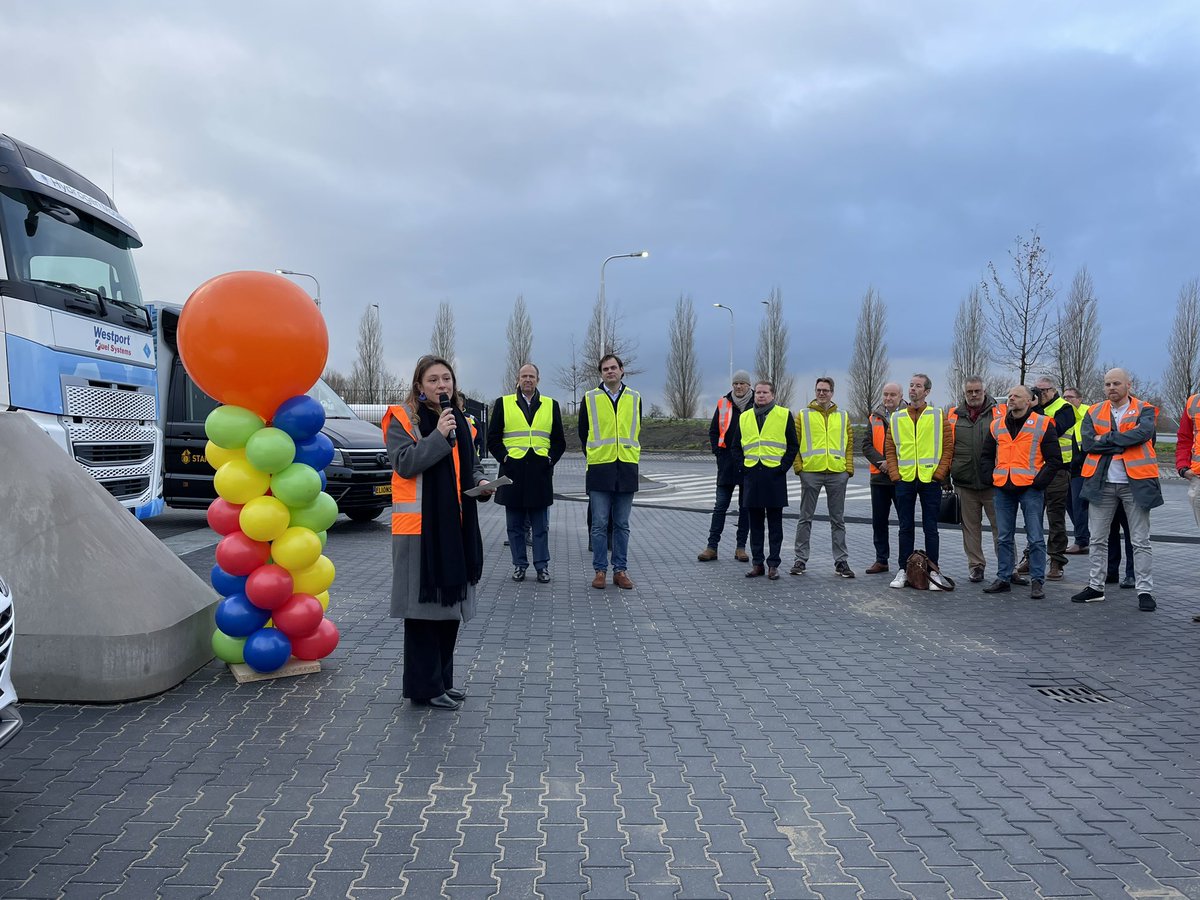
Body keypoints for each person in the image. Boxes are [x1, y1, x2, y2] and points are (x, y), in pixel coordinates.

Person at [383, 355, 493, 711]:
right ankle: (423, 687)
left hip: (456, 526)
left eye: (446, 378)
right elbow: (405, 463)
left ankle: (442, 681)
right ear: (419, 386)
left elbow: (470, 465)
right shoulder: (402, 419)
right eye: (433, 380)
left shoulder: (463, 421)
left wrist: (482, 482)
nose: (441, 385)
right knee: (422, 612)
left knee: (449, 608)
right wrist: (438, 436)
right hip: (419, 531)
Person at [1071, 368, 1162, 611]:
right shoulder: (1094, 410)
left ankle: (1144, 591)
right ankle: (1095, 587)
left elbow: (1143, 435)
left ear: (1128, 385)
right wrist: (1122, 440)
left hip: (1136, 484)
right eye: (1107, 384)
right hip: (1101, 483)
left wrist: (1107, 439)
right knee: (1098, 539)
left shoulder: (1145, 409)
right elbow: (1089, 443)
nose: (1111, 388)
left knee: (1141, 541)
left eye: (1116, 383)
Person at [487, 363, 567, 584]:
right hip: (512, 472)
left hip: (540, 473)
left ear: (538, 380)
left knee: (541, 526)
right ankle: (519, 565)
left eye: (532, 376)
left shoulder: (551, 405)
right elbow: (493, 438)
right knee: (514, 526)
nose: (528, 380)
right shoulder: (503, 403)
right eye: (524, 376)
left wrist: (550, 459)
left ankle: (542, 567)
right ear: (518, 379)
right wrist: (504, 458)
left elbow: (559, 441)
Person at [980, 386, 1062, 599]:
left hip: (1030, 489)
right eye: (1010, 396)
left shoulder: (1043, 424)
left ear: (1029, 401)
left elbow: (1054, 460)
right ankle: (1004, 577)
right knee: (1004, 537)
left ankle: (1037, 581)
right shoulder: (997, 425)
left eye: (1016, 396)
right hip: (1003, 487)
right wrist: (990, 477)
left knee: (1035, 537)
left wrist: (1038, 483)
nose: (1011, 399)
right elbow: (986, 455)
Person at [579, 354, 641, 590]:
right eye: (605, 369)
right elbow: (583, 432)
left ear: (622, 370)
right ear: (601, 373)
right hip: (599, 468)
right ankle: (600, 571)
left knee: (622, 524)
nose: (610, 372)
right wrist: (595, 456)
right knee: (599, 523)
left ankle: (620, 570)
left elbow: (637, 429)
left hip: (626, 467)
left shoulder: (635, 398)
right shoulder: (590, 398)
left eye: (614, 368)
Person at [885, 374, 954, 588]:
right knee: (905, 527)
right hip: (904, 479)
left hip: (930, 479)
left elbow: (948, 447)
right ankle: (903, 571)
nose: (913, 389)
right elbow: (890, 448)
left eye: (918, 386)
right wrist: (895, 475)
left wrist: (940, 474)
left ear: (927, 392)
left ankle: (933, 573)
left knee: (930, 528)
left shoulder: (937, 415)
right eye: (911, 385)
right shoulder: (897, 417)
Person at [789, 376, 855, 578]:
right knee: (805, 518)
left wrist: (848, 470)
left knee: (838, 520)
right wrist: (800, 469)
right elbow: (794, 442)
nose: (821, 393)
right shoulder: (803, 415)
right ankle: (800, 559)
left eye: (825, 390)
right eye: (818, 390)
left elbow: (849, 444)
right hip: (811, 473)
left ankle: (841, 561)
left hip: (837, 473)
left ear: (832, 393)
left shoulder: (843, 416)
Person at [733, 380, 798, 579]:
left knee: (775, 525)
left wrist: (782, 468)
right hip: (752, 476)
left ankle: (773, 565)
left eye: (764, 392)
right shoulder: (744, 417)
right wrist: (742, 467)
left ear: (772, 395)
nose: (760, 395)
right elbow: (735, 447)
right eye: (758, 392)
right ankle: (757, 564)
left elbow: (793, 445)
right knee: (756, 524)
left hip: (774, 476)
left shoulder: (783, 414)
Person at [1014, 377, 1076, 580]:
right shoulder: (1031, 409)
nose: (1039, 394)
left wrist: (1036, 409)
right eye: (1036, 391)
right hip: (1034, 470)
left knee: (1055, 518)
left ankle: (1057, 561)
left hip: (1058, 470)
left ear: (1052, 390)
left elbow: (1053, 429)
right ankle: (1031, 558)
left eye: (1042, 391)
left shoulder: (1064, 408)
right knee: (1032, 518)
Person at [947, 376, 1000, 583]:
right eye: (970, 392)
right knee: (970, 529)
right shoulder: (953, 415)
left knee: (1002, 528)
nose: (974, 395)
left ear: (984, 391)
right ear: (964, 393)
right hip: (965, 481)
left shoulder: (998, 413)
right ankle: (976, 566)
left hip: (994, 483)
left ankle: (1007, 566)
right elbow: (947, 447)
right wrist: (946, 477)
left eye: (977, 391)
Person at [698, 371, 753, 562]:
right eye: (735, 383)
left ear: (748, 385)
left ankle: (740, 548)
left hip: (748, 464)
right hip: (727, 464)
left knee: (745, 508)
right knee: (720, 507)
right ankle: (711, 547)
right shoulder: (723, 403)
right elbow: (714, 430)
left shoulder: (756, 404)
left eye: (742, 383)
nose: (738, 387)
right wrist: (718, 453)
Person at [862, 382, 905, 574]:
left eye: (892, 395)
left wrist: (892, 462)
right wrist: (882, 462)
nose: (888, 398)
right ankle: (881, 559)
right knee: (879, 521)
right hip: (879, 477)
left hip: (902, 477)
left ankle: (905, 561)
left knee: (905, 521)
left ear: (901, 396)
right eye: (885, 394)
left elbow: (912, 444)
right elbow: (866, 445)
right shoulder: (874, 417)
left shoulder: (909, 415)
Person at [1062, 386, 1091, 554]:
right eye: (1065, 397)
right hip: (1066, 466)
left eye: (1071, 397)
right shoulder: (1064, 414)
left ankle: (1081, 541)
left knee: (1078, 504)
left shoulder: (1088, 413)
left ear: (1080, 399)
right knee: (1069, 504)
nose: (1068, 400)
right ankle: (1084, 536)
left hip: (1082, 466)